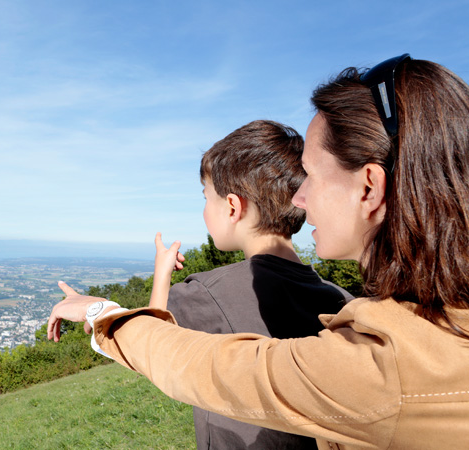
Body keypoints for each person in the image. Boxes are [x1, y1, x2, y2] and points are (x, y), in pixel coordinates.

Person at [48, 54, 469, 449]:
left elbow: (206, 365)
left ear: (369, 187)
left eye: (311, 175)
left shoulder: (386, 366)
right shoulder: (376, 312)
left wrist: (98, 310)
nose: (299, 198)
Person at [149, 120, 352, 449]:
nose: (203, 209)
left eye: (205, 197)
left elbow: (149, 346)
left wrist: (162, 275)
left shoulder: (207, 293)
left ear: (232, 207)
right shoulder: (343, 302)